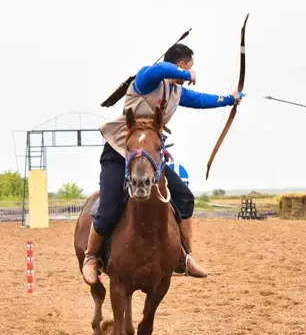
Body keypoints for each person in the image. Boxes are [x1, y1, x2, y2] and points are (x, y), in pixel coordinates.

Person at [81, 43, 244, 285]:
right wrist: (187, 74)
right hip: (119, 153)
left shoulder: (177, 93)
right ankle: (92, 257)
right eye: (188, 67)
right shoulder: (147, 80)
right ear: (180, 65)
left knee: (185, 198)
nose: (189, 75)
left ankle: (185, 256)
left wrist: (229, 100)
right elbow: (156, 70)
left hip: (150, 157)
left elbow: (201, 100)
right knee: (108, 209)